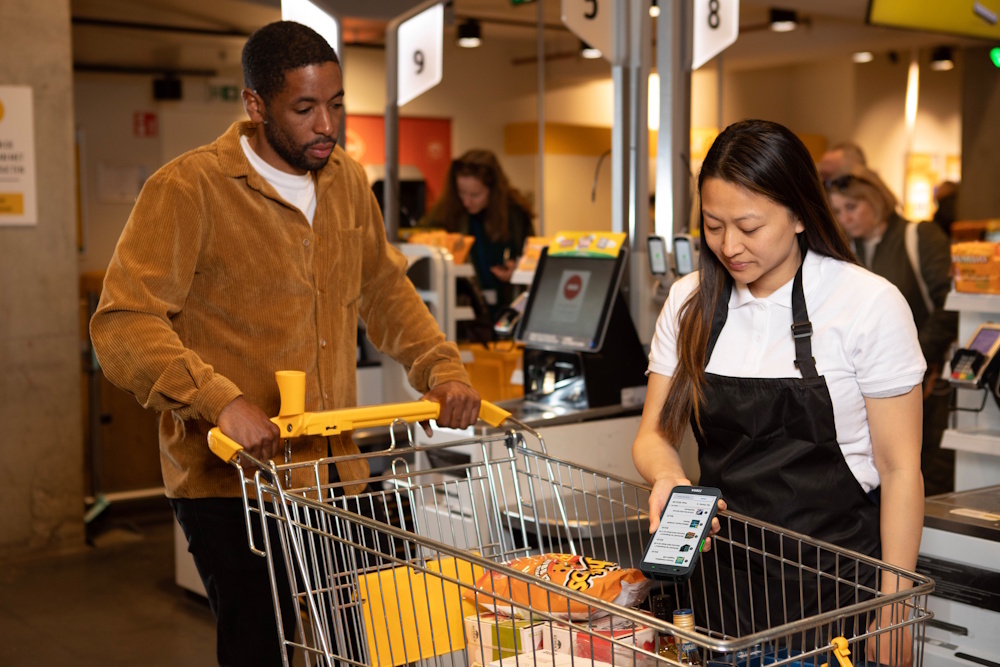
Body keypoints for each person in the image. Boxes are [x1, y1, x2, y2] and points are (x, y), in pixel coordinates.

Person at [89, 21, 481, 666]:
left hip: (334, 475)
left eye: (335, 104)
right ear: (255, 106)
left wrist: (440, 368)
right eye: (304, 109)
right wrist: (221, 401)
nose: (326, 124)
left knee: (367, 648)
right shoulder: (188, 190)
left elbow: (385, 288)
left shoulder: (349, 182)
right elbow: (123, 324)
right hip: (231, 487)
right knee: (261, 651)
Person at [632, 119, 925, 665]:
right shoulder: (691, 301)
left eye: (748, 226)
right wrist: (668, 476)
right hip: (719, 596)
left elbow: (900, 468)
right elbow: (652, 435)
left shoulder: (866, 303)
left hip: (832, 598)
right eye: (714, 225)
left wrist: (894, 608)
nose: (730, 246)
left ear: (797, 214)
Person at [827, 166, 958, 496]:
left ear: (874, 201)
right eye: (838, 211)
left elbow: (948, 304)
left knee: (928, 467)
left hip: (931, 374)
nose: (846, 218)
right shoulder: (850, 249)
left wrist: (920, 360)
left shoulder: (920, 236)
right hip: (878, 377)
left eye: (852, 208)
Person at [421, 149, 535, 322]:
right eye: (461, 193)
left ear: (493, 190)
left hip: (507, 310)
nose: (466, 201)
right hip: (463, 315)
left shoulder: (516, 216)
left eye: (475, 195)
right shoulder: (445, 215)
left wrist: (518, 270)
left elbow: (532, 258)